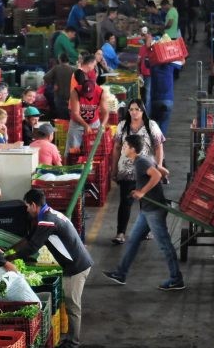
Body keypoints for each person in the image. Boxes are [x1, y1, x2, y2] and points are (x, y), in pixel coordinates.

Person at [7, 188, 93, 348]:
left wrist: (9, 259)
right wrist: (9, 252)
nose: (26, 210)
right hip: (73, 265)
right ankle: (68, 342)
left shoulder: (47, 221)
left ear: (33, 205)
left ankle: (73, 347)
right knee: (70, 305)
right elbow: (28, 239)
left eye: (27, 206)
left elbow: (32, 248)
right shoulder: (46, 215)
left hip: (77, 267)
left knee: (73, 307)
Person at [103, 134, 182, 290]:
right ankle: (121, 273)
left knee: (165, 245)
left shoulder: (141, 162)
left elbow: (157, 175)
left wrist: (143, 192)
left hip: (154, 210)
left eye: (126, 146)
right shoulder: (144, 159)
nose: (123, 148)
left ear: (133, 149)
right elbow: (162, 171)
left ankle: (176, 279)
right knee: (133, 241)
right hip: (146, 210)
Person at [110, 99, 166, 245]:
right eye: (131, 109)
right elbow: (116, 148)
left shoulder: (151, 125)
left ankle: (146, 230)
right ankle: (121, 233)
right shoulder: (122, 126)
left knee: (145, 202)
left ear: (143, 111)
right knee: (125, 202)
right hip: (126, 171)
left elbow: (158, 146)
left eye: (137, 109)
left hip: (145, 170)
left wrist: (159, 165)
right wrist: (114, 168)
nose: (134, 112)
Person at [66, 70, 108, 156]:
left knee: (93, 150)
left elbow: (105, 112)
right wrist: (85, 125)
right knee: (73, 149)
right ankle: (69, 166)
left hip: (94, 122)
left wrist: (102, 125)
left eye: (90, 94)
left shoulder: (101, 92)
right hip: (76, 123)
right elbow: (75, 113)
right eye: (85, 94)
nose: (87, 96)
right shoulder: (75, 92)